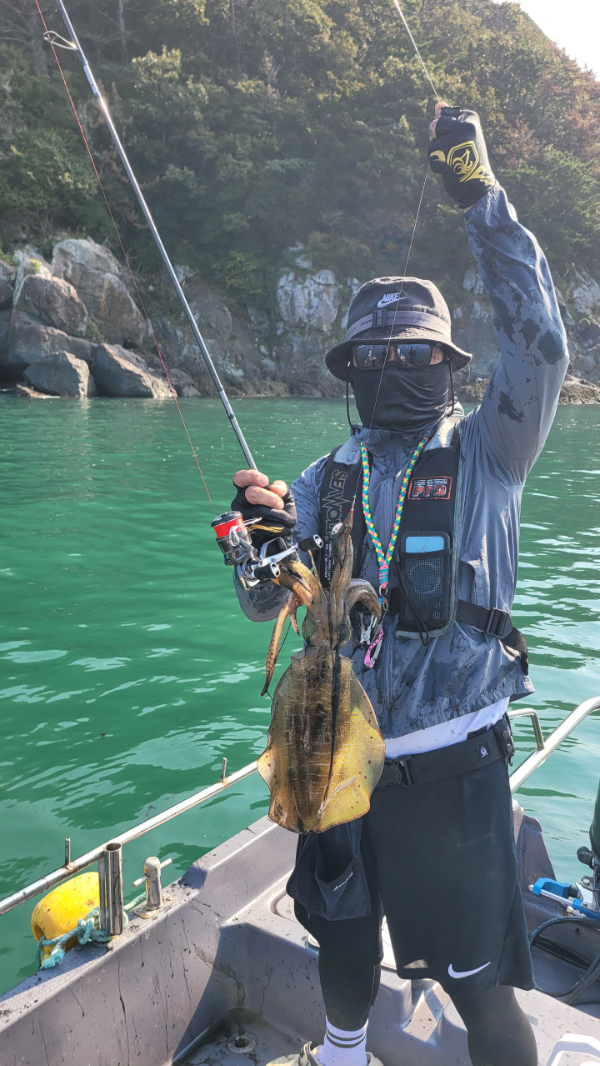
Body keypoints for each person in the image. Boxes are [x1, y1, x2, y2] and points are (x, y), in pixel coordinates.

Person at [231, 104, 569, 1066]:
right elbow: (265, 603)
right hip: (333, 764)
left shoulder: (493, 447)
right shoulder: (322, 478)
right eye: (373, 358)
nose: (394, 368)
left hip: (453, 775)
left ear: (448, 364)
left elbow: (541, 342)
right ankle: (341, 1055)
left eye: (415, 352)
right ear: (350, 371)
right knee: (341, 951)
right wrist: (259, 540)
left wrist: (482, 198)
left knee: (483, 997)